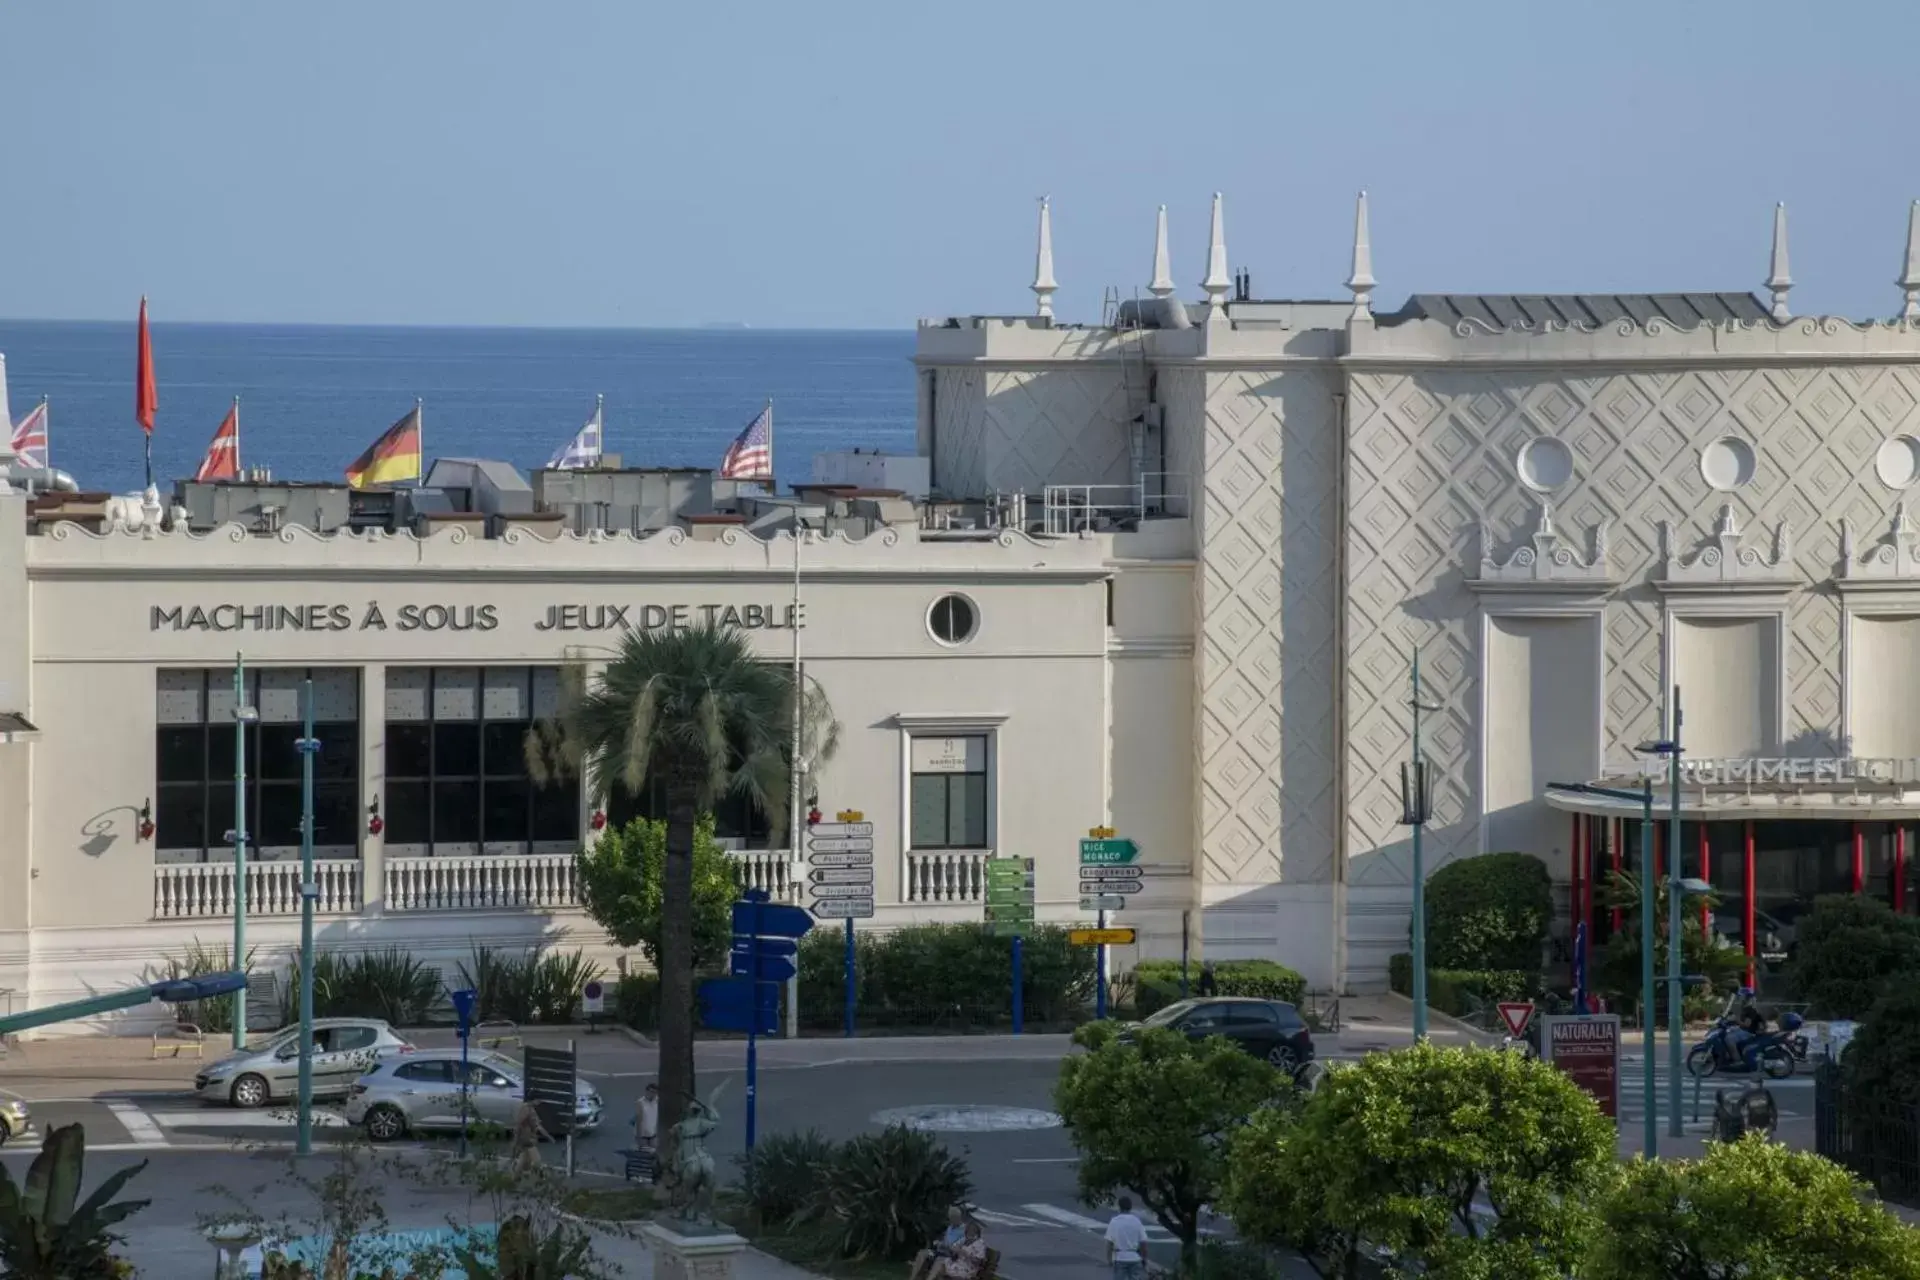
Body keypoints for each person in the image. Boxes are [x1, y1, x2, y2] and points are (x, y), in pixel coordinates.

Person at [909, 1206, 966, 1280]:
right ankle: (912, 1278)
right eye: (950, 1219)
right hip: (940, 1251)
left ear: (958, 1218)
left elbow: (958, 1246)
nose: (951, 1221)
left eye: (953, 1219)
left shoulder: (964, 1230)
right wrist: (939, 1242)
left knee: (939, 1260)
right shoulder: (950, 1227)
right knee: (922, 1253)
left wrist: (945, 1245)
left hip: (949, 1255)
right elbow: (945, 1239)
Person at [1105, 1197, 1147, 1279]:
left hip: (1120, 1257)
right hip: (1135, 1257)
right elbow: (1143, 1242)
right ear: (1131, 1207)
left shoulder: (1114, 1221)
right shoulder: (1137, 1221)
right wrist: (1144, 1258)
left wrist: (1109, 1259)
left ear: (1119, 1207)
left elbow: (1109, 1242)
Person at [510, 1098, 552, 1173]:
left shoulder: (527, 1108)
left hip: (526, 1139)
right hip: (527, 1139)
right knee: (536, 1161)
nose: (539, 1103)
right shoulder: (528, 1110)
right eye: (538, 1100)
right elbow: (535, 1125)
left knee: (523, 1162)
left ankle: (514, 1178)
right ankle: (541, 1177)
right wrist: (549, 1137)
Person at [636, 1083, 660, 1181]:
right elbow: (639, 1119)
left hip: (654, 1132)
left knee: (654, 1154)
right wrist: (638, 1135)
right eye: (651, 1092)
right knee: (642, 1155)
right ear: (646, 1091)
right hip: (643, 1133)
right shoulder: (640, 1102)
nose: (652, 1094)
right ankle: (640, 1175)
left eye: (654, 1092)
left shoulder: (658, 1101)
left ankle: (652, 1174)